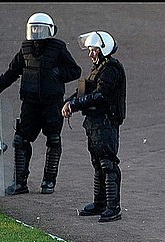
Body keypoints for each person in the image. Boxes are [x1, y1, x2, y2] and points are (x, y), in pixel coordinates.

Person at [0, 12, 82, 195]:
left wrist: (57, 74)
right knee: (20, 140)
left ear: (49, 30)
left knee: (53, 140)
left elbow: (75, 71)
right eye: (34, 28)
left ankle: (48, 182)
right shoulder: (25, 48)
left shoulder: (58, 48)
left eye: (40, 29)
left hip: (52, 104)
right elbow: (12, 72)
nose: (36, 32)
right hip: (30, 103)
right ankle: (20, 183)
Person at [61, 31, 126, 222]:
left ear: (103, 50)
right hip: (94, 123)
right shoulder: (99, 69)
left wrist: (74, 105)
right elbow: (85, 90)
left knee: (108, 164)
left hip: (105, 122)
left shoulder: (111, 70)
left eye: (94, 50)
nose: (91, 54)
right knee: (98, 164)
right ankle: (100, 203)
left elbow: (100, 96)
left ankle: (113, 207)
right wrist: (69, 102)